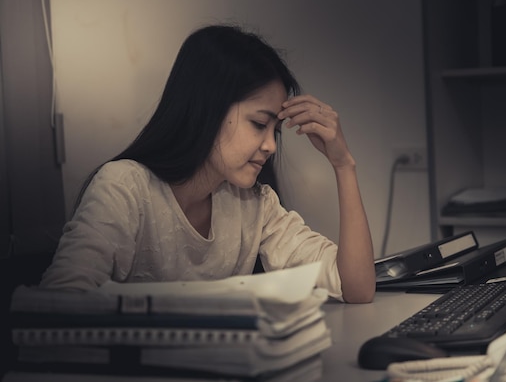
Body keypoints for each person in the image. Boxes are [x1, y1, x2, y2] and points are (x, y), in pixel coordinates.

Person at [40, 25, 376, 303]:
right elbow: (57, 307)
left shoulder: (254, 204)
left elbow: (356, 288)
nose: (271, 145)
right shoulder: (124, 186)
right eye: (259, 124)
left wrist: (343, 165)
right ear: (207, 110)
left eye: (276, 130)